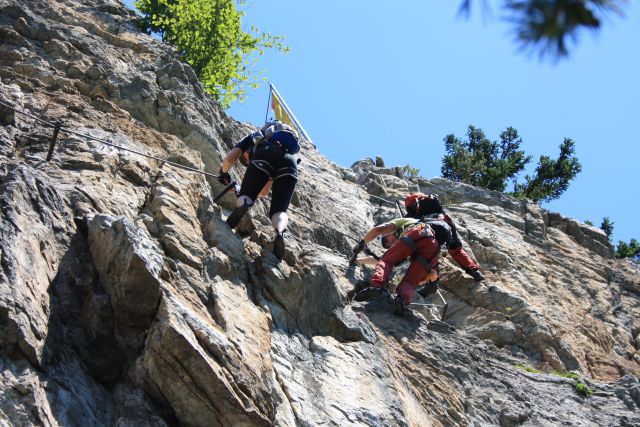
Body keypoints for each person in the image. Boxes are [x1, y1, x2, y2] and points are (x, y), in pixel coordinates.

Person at [352, 193, 484, 315]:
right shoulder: (446, 221)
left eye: (387, 240)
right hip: (435, 248)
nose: (390, 243)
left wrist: (362, 243)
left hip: (420, 232)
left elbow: (383, 249)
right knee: (412, 278)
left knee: (386, 261)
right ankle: (403, 299)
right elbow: (456, 250)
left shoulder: (410, 221)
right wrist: (473, 270)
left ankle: (377, 287)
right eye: (388, 244)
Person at [218, 121, 300, 260]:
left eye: (245, 160)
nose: (248, 162)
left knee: (247, 197)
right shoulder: (282, 144)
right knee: (279, 211)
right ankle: (279, 232)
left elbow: (230, 159)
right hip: (291, 163)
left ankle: (243, 203)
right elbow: (263, 193)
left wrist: (223, 173)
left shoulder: (254, 138)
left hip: (265, 153)